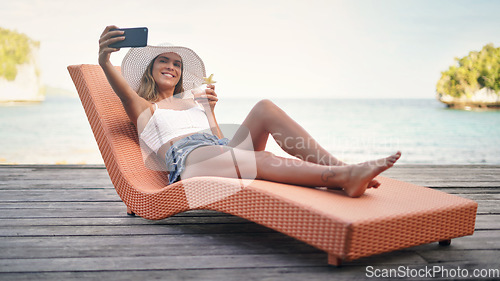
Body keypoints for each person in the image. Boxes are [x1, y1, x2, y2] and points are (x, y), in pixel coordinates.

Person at [98, 26, 401, 198]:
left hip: (214, 150)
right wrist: (104, 58)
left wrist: (209, 112)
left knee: (264, 108)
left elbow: (217, 141)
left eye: (177, 64)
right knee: (261, 160)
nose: (171, 67)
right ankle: (342, 177)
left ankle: (341, 166)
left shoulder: (191, 103)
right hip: (188, 162)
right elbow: (115, 81)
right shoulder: (145, 108)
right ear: (151, 69)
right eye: (164, 61)